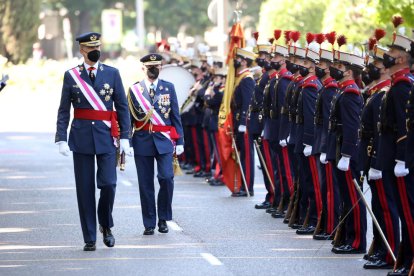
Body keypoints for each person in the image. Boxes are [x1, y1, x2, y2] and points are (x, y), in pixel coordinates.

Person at [55, 32, 132, 251]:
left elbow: (122, 108)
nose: (95, 50)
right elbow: (63, 110)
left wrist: (125, 136)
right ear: (82, 50)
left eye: (97, 45)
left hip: (107, 137)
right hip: (81, 138)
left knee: (108, 183)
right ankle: (89, 237)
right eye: (90, 47)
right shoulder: (71, 76)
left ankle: (105, 225)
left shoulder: (112, 73)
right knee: (85, 189)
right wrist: (61, 138)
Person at [127, 53, 184, 235]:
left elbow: (175, 115)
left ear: (161, 67)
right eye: (150, 67)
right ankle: (149, 222)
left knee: (167, 178)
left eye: (157, 66)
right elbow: (129, 119)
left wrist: (180, 140)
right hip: (142, 140)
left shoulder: (168, 88)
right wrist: (126, 142)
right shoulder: (135, 90)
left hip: (164, 140)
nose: (154, 69)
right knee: (145, 184)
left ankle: (163, 218)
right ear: (143, 68)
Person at [377, 28, 414, 276]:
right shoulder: (397, 85)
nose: (387, 56)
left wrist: (401, 158)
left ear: (401, 58)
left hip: (402, 158)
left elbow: (404, 126)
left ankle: (409, 263)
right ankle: (405, 261)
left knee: (408, 213)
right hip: (395, 156)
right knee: (403, 211)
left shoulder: (402, 87)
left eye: (392, 52)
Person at [327, 48, 367, 254]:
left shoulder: (350, 93)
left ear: (349, 71)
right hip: (339, 147)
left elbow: (352, 127)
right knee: (345, 196)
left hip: (347, 152)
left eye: (339, 67)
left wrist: (347, 155)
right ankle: (348, 236)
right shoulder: (343, 90)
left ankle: (357, 241)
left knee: (352, 198)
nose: (334, 69)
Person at [230, 47, 256, 197]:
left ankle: (247, 186)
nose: (235, 61)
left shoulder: (247, 79)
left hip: (244, 122)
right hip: (238, 119)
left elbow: (247, 102)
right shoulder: (239, 76)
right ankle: (242, 184)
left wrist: (243, 122)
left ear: (244, 61)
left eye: (238, 58)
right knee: (242, 153)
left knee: (247, 154)